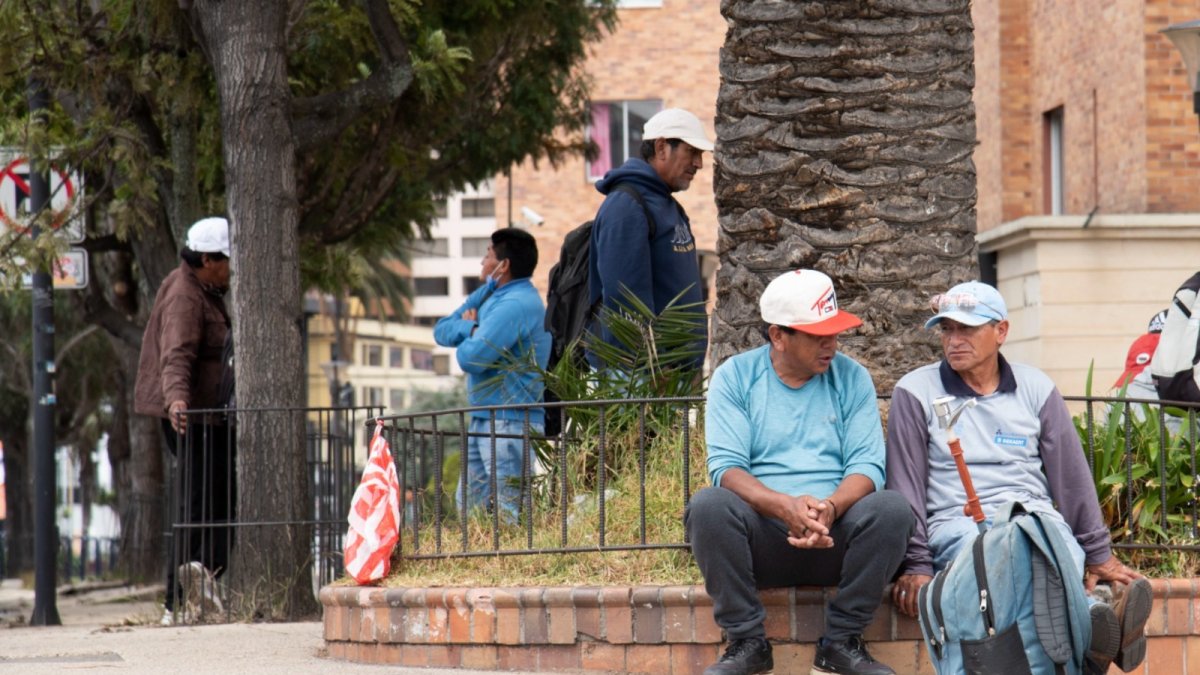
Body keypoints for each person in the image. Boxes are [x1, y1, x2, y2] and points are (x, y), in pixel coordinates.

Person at [886, 280, 1152, 673]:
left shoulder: (1036, 387)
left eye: (967, 329)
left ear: (1001, 332)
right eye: (947, 330)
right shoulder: (915, 391)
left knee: (1044, 540)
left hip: (1039, 523)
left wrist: (1098, 554)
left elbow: (1071, 477)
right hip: (960, 528)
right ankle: (1092, 618)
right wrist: (917, 562)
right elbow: (905, 483)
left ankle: (1091, 622)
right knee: (1021, 554)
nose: (954, 340)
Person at [686, 269, 914, 675]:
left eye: (835, 333)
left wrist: (830, 507)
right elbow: (727, 467)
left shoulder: (852, 376)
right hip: (762, 540)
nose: (832, 344)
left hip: (837, 537)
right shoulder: (735, 378)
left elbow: (867, 465)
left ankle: (841, 644)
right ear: (778, 336)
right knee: (708, 505)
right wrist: (783, 506)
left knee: (892, 508)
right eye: (817, 335)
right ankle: (747, 643)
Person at [134, 216, 235, 625]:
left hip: (210, 418)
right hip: (192, 418)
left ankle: (205, 586)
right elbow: (176, 355)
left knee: (220, 502)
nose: (232, 268)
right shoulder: (184, 296)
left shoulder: (204, 288)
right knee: (197, 506)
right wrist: (177, 402)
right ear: (207, 259)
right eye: (227, 260)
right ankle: (176, 603)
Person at [434, 228, 550, 521]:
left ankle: (513, 565)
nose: (482, 262)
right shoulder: (495, 298)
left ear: (503, 265)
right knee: (470, 510)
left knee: (510, 511)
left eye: (487, 255)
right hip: (487, 416)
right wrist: (470, 328)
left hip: (509, 420)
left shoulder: (514, 305)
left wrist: (469, 335)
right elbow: (442, 329)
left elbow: (471, 358)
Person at [587, 107, 712, 370]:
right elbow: (625, 304)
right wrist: (652, 370)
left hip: (670, 376)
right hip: (641, 379)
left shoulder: (667, 205)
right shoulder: (626, 207)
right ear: (661, 147)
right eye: (692, 152)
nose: (699, 163)